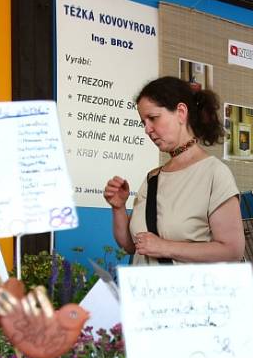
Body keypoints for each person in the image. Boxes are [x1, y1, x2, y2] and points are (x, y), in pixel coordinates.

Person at [103, 76, 245, 265]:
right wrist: (118, 208)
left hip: (185, 293)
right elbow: (132, 246)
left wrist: (164, 247)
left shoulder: (214, 173)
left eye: (153, 118)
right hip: (142, 292)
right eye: (143, 122)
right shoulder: (153, 178)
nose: (147, 130)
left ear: (180, 112)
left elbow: (232, 250)